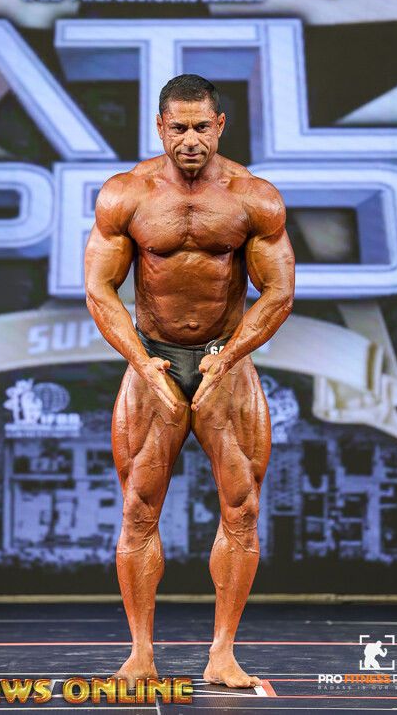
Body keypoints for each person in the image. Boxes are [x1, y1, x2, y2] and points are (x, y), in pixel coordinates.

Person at [84, 74, 295, 688]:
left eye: (202, 126)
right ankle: (140, 654)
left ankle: (222, 654)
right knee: (138, 509)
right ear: (160, 127)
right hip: (152, 358)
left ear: (220, 125)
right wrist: (142, 362)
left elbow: (279, 293)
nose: (191, 139)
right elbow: (99, 289)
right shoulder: (126, 194)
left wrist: (228, 358)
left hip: (225, 361)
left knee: (242, 508)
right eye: (179, 127)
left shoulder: (254, 198)